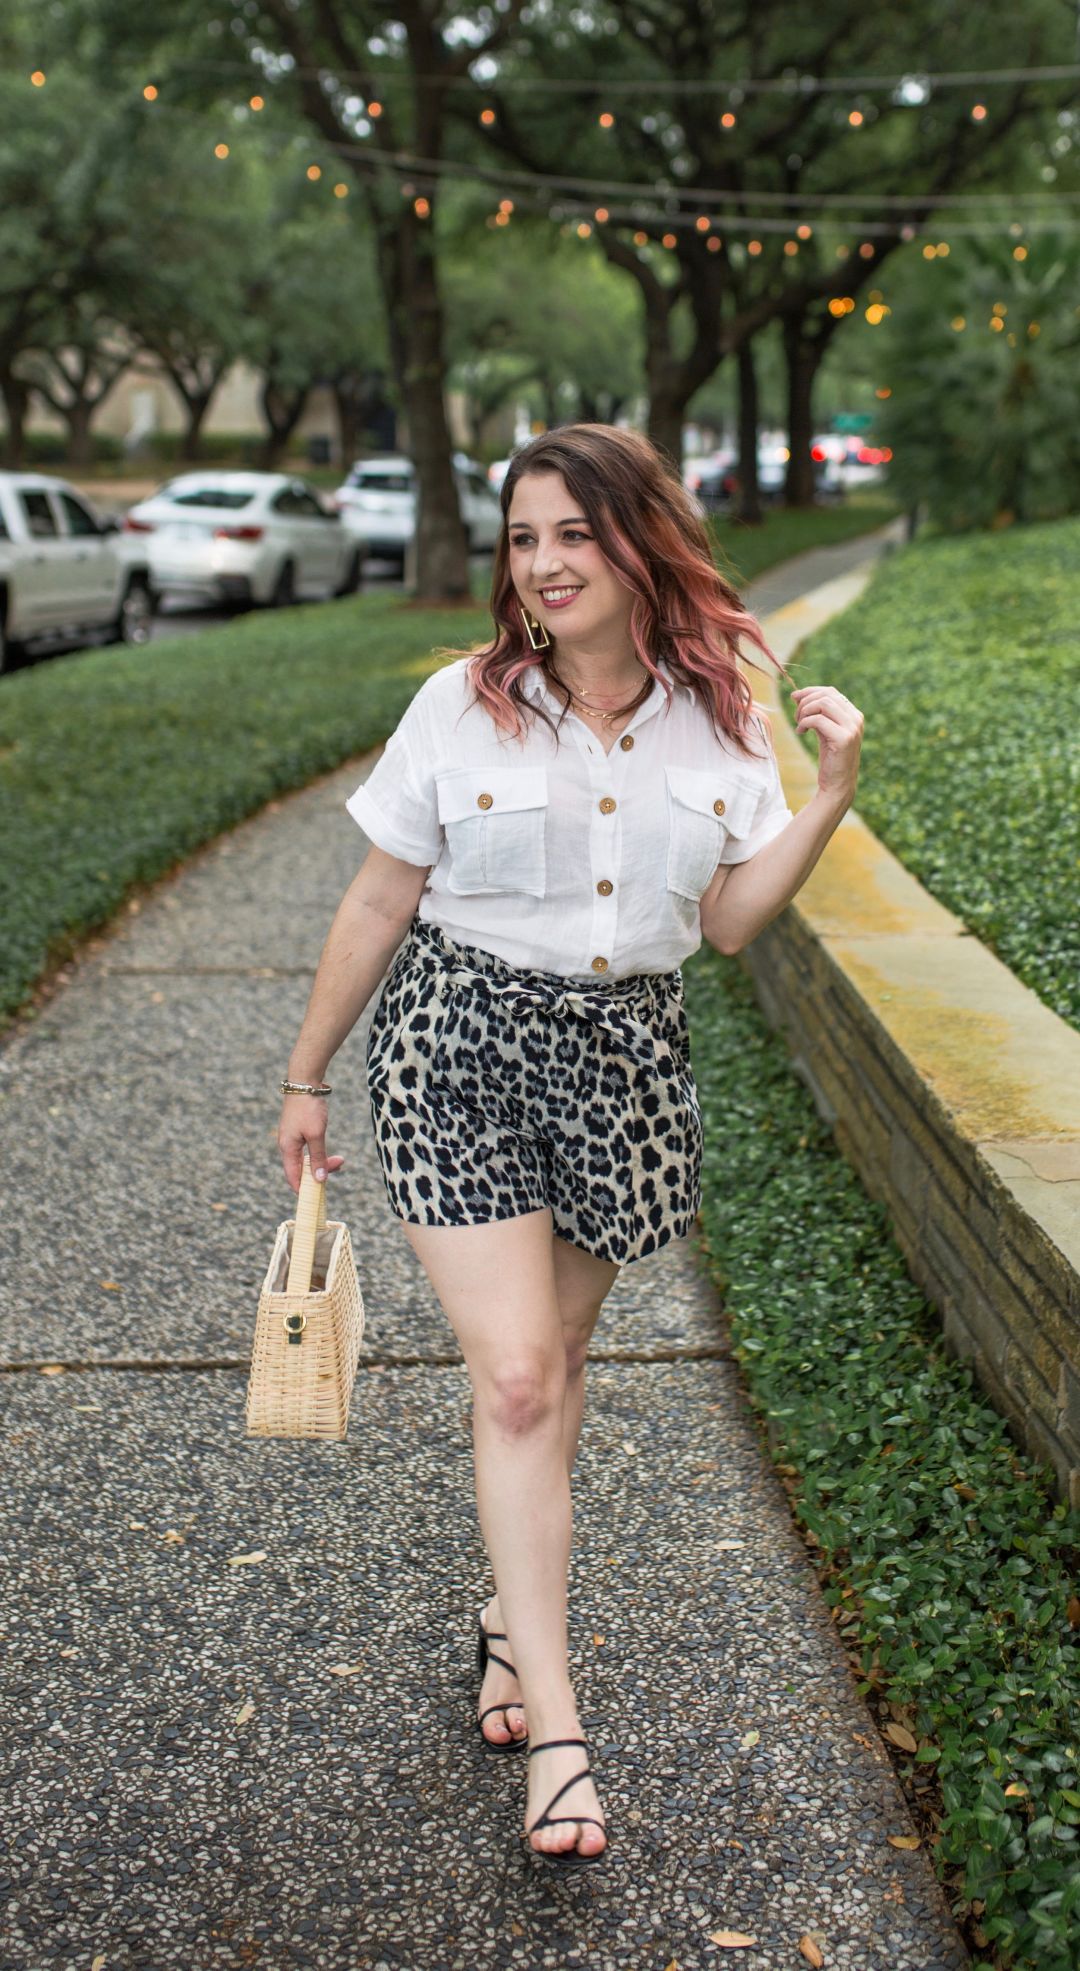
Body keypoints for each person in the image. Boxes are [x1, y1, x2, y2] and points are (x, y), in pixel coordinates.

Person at [277, 422, 864, 1870]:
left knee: (557, 1363)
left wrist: (830, 797)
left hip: (626, 1064)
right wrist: (305, 1076)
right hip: (457, 1048)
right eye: (524, 538)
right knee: (522, 1379)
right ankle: (558, 1730)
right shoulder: (460, 705)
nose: (543, 564)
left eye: (572, 535)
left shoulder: (724, 721)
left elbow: (731, 921)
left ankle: (507, 1615)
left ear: (639, 540)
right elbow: (378, 898)